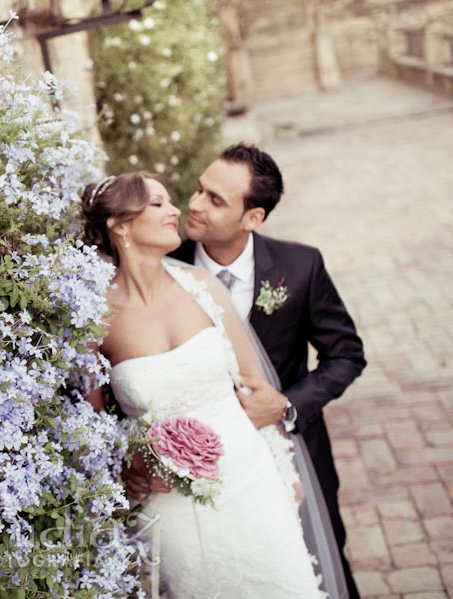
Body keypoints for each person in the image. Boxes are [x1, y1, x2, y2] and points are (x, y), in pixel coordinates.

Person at [82, 172, 326, 598]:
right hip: (170, 502)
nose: (176, 210)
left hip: (250, 478)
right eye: (157, 203)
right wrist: (130, 466)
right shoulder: (93, 318)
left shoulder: (202, 286)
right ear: (119, 224)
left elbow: (257, 391)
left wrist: (284, 470)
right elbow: (91, 424)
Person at [168, 143, 366, 599]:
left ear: (252, 218)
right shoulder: (164, 268)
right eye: (199, 189)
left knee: (321, 560)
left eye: (215, 199)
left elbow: (347, 355)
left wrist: (287, 404)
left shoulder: (300, 267)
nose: (194, 204)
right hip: (205, 467)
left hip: (293, 451)